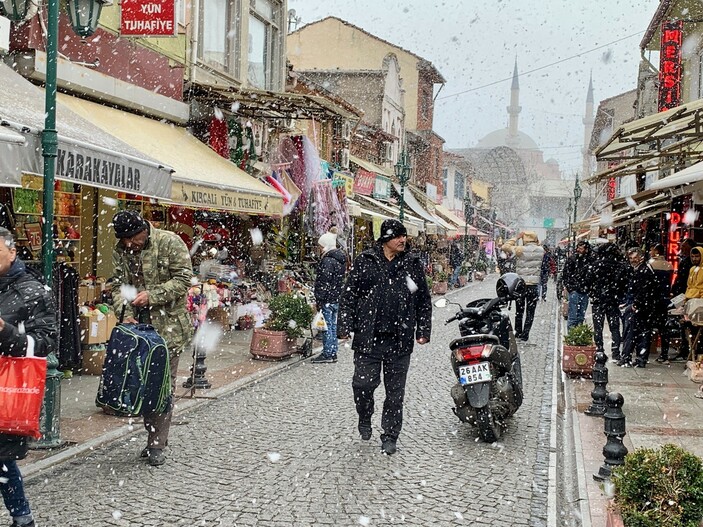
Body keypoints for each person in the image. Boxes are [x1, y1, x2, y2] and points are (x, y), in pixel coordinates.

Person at [338, 219, 432, 455]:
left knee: (395, 392)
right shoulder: (366, 261)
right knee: (362, 384)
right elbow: (350, 295)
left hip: (399, 340)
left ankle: (390, 435)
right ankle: (364, 414)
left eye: (404, 236)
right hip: (368, 338)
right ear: (385, 239)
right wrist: (345, 325)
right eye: (398, 236)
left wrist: (422, 331)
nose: (403, 240)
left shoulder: (411, 263)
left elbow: (423, 301)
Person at [111, 210, 194, 466]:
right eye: (124, 240)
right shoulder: (121, 249)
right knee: (142, 384)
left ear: (144, 230)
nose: (129, 244)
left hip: (169, 329)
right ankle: (152, 433)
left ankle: (157, 443)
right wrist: (123, 312)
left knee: (163, 386)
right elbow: (117, 285)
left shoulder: (169, 242)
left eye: (133, 238)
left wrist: (152, 295)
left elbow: (183, 279)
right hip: (139, 331)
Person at [0, 227, 57, 527]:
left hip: (7, 390)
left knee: (2, 460)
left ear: (12, 253)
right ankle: (22, 517)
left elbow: (47, 341)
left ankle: (22, 517)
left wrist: (6, 333)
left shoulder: (32, 290)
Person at [588, 243, 629, 362]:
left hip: (598, 301)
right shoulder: (619, 266)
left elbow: (589, 281)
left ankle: (599, 350)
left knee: (598, 327)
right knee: (614, 327)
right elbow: (624, 284)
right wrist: (618, 295)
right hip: (613, 301)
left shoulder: (596, 265)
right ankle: (615, 352)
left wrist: (593, 292)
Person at [618, 247, 658, 368]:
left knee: (632, 332)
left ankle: (628, 358)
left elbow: (643, 290)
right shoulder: (641, 269)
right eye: (630, 258)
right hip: (643, 306)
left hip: (642, 307)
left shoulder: (643, 271)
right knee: (641, 333)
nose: (633, 260)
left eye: (635, 257)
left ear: (641, 257)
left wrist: (636, 304)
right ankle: (640, 359)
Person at [312, 228, 346, 364]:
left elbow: (323, 282)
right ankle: (332, 351)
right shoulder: (339, 260)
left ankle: (328, 353)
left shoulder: (327, 261)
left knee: (326, 326)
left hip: (328, 298)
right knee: (332, 326)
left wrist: (319, 299)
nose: (320, 249)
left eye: (321, 246)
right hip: (335, 297)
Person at [502, 232, 544, 342]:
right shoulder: (540, 250)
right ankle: (526, 334)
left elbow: (505, 247)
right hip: (533, 285)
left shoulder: (520, 250)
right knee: (531, 311)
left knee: (519, 311)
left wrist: (516, 237)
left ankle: (518, 331)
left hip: (521, 284)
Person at [649, 244, 674, 364]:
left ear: (657, 251)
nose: (650, 251)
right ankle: (664, 353)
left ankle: (646, 350)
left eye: (652, 250)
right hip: (664, 299)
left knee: (647, 326)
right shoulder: (669, 265)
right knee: (663, 328)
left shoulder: (651, 264)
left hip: (652, 299)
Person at [562, 241, 594, 330]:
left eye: (581, 248)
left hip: (584, 291)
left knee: (580, 316)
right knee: (573, 316)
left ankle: (577, 334)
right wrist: (571, 288)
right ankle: (572, 337)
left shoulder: (590, 260)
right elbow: (566, 275)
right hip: (575, 291)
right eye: (578, 248)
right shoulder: (572, 259)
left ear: (586, 249)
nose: (578, 250)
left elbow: (592, 275)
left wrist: (589, 287)